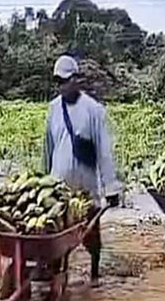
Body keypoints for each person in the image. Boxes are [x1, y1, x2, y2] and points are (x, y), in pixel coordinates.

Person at [43, 54, 122, 286]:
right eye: (58, 82)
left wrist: (110, 186)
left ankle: (94, 272)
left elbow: (104, 150)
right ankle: (57, 272)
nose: (62, 86)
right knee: (57, 233)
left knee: (91, 234)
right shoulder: (53, 109)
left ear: (76, 79)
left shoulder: (93, 110)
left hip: (86, 186)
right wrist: (43, 180)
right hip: (60, 186)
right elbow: (47, 147)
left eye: (65, 81)